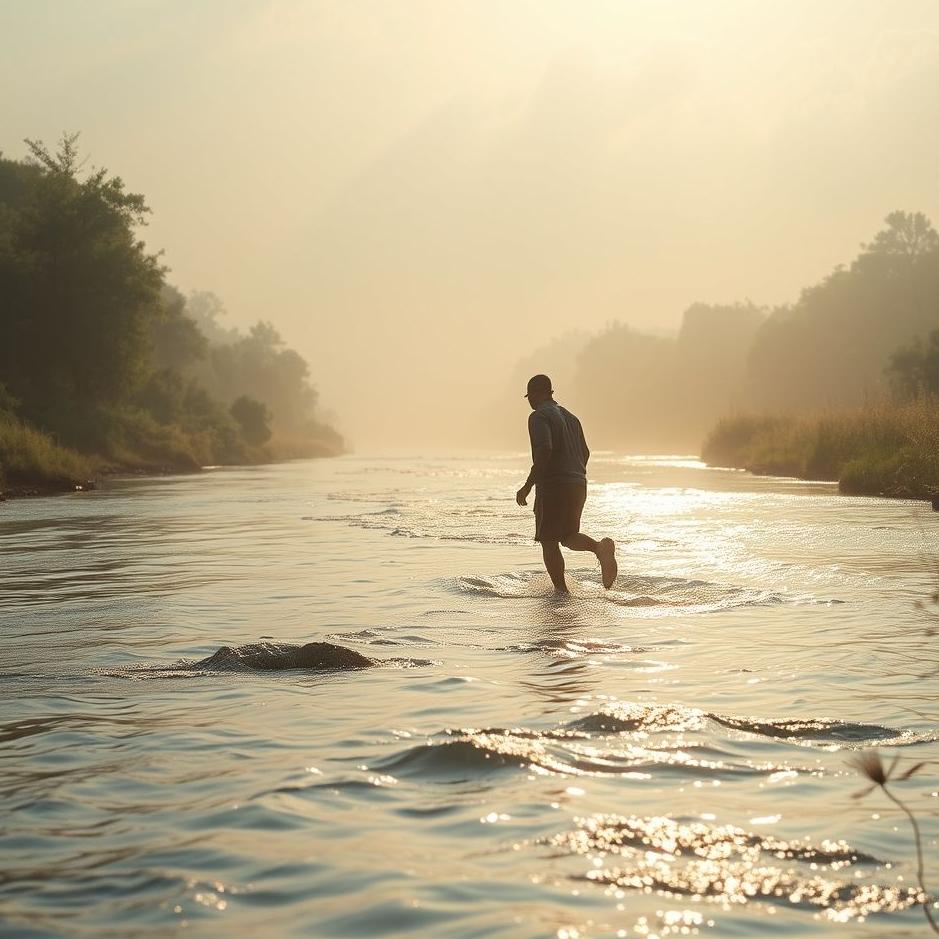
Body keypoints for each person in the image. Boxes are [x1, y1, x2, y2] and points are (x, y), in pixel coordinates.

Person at [515, 374, 617, 594]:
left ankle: (561, 593)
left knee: (548, 540)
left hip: (554, 486)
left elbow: (544, 450)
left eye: (530, 396)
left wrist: (528, 485)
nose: (530, 402)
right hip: (578, 483)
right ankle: (599, 548)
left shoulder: (539, 417)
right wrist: (574, 475)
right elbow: (586, 453)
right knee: (568, 536)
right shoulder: (572, 418)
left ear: (537, 394)